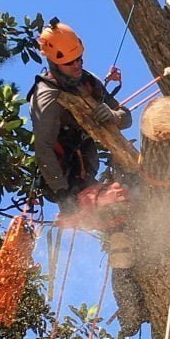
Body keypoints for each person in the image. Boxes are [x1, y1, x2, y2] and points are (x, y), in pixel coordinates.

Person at [29, 18, 132, 212]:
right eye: (69, 63)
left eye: (79, 59)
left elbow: (126, 117)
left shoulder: (89, 82)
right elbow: (44, 148)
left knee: (125, 196)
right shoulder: (46, 95)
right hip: (63, 174)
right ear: (54, 63)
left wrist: (113, 115)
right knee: (114, 208)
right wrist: (63, 194)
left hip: (87, 170)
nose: (76, 66)